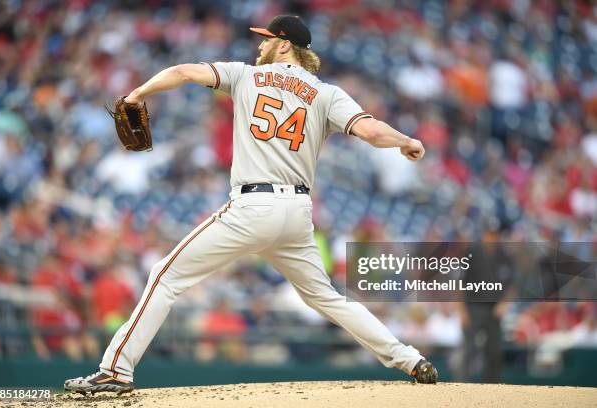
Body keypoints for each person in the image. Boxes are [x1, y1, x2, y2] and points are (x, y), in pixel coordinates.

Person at [64, 15, 436, 395]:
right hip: (296, 215)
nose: (260, 46)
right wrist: (406, 140)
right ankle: (409, 359)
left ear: (285, 45)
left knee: (166, 275)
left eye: (266, 39)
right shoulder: (327, 94)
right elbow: (371, 131)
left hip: (253, 205)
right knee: (326, 297)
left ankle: (115, 370)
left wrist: (137, 94)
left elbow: (182, 71)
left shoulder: (244, 76)